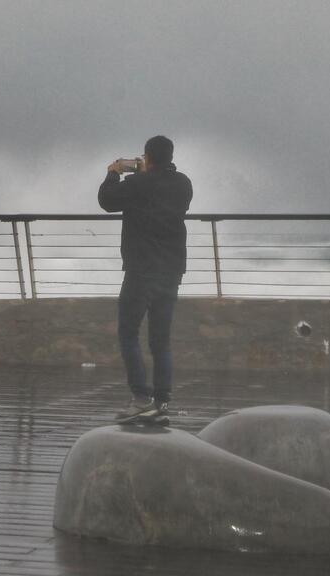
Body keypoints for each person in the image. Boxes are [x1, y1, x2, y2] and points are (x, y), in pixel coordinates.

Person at [98, 135, 192, 422]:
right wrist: (145, 173)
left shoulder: (137, 185)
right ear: (170, 156)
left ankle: (141, 399)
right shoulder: (183, 184)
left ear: (148, 157)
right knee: (160, 340)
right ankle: (161, 403)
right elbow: (160, 195)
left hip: (141, 271)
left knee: (128, 334)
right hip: (172, 270)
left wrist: (113, 173)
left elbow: (107, 201)